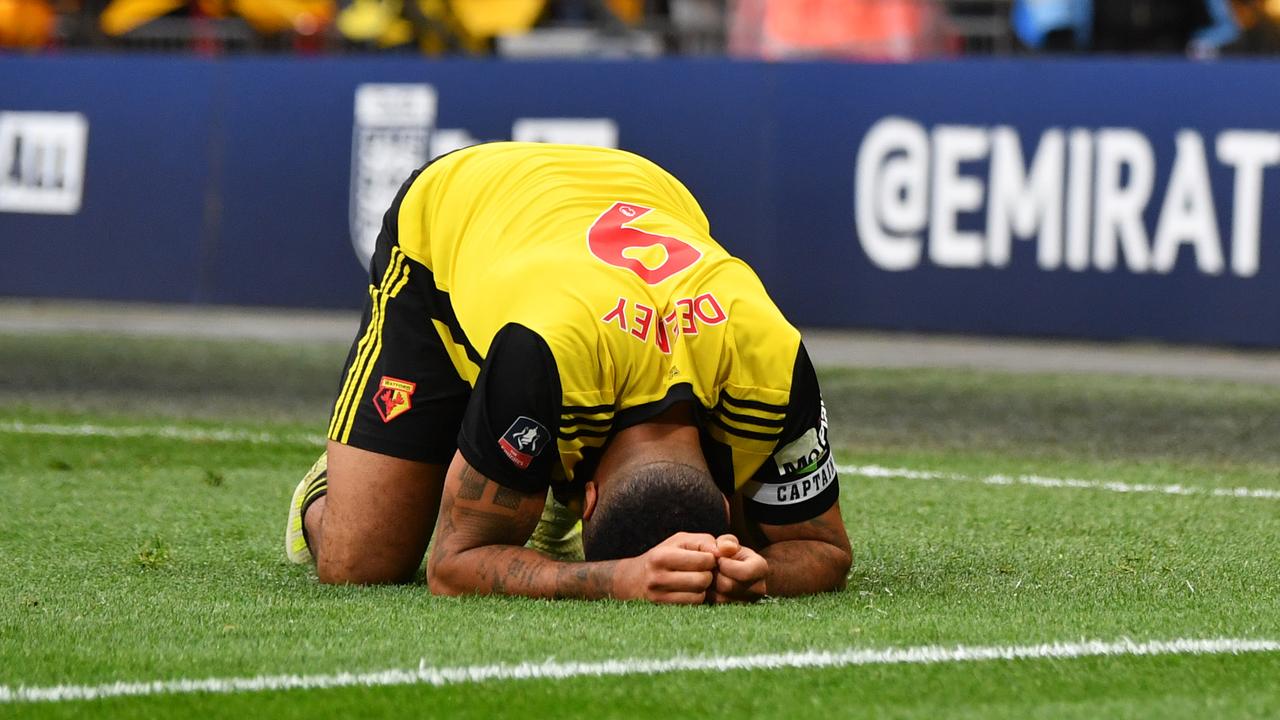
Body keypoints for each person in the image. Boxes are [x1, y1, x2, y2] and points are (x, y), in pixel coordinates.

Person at [285, 142, 851, 604]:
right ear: (588, 500)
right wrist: (618, 580)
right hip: (461, 205)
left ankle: (518, 463)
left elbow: (823, 548)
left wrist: (758, 574)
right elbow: (452, 567)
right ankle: (331, 474)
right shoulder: (543, 363)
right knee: (361, 563)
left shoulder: (773, 357)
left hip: (644, 187)